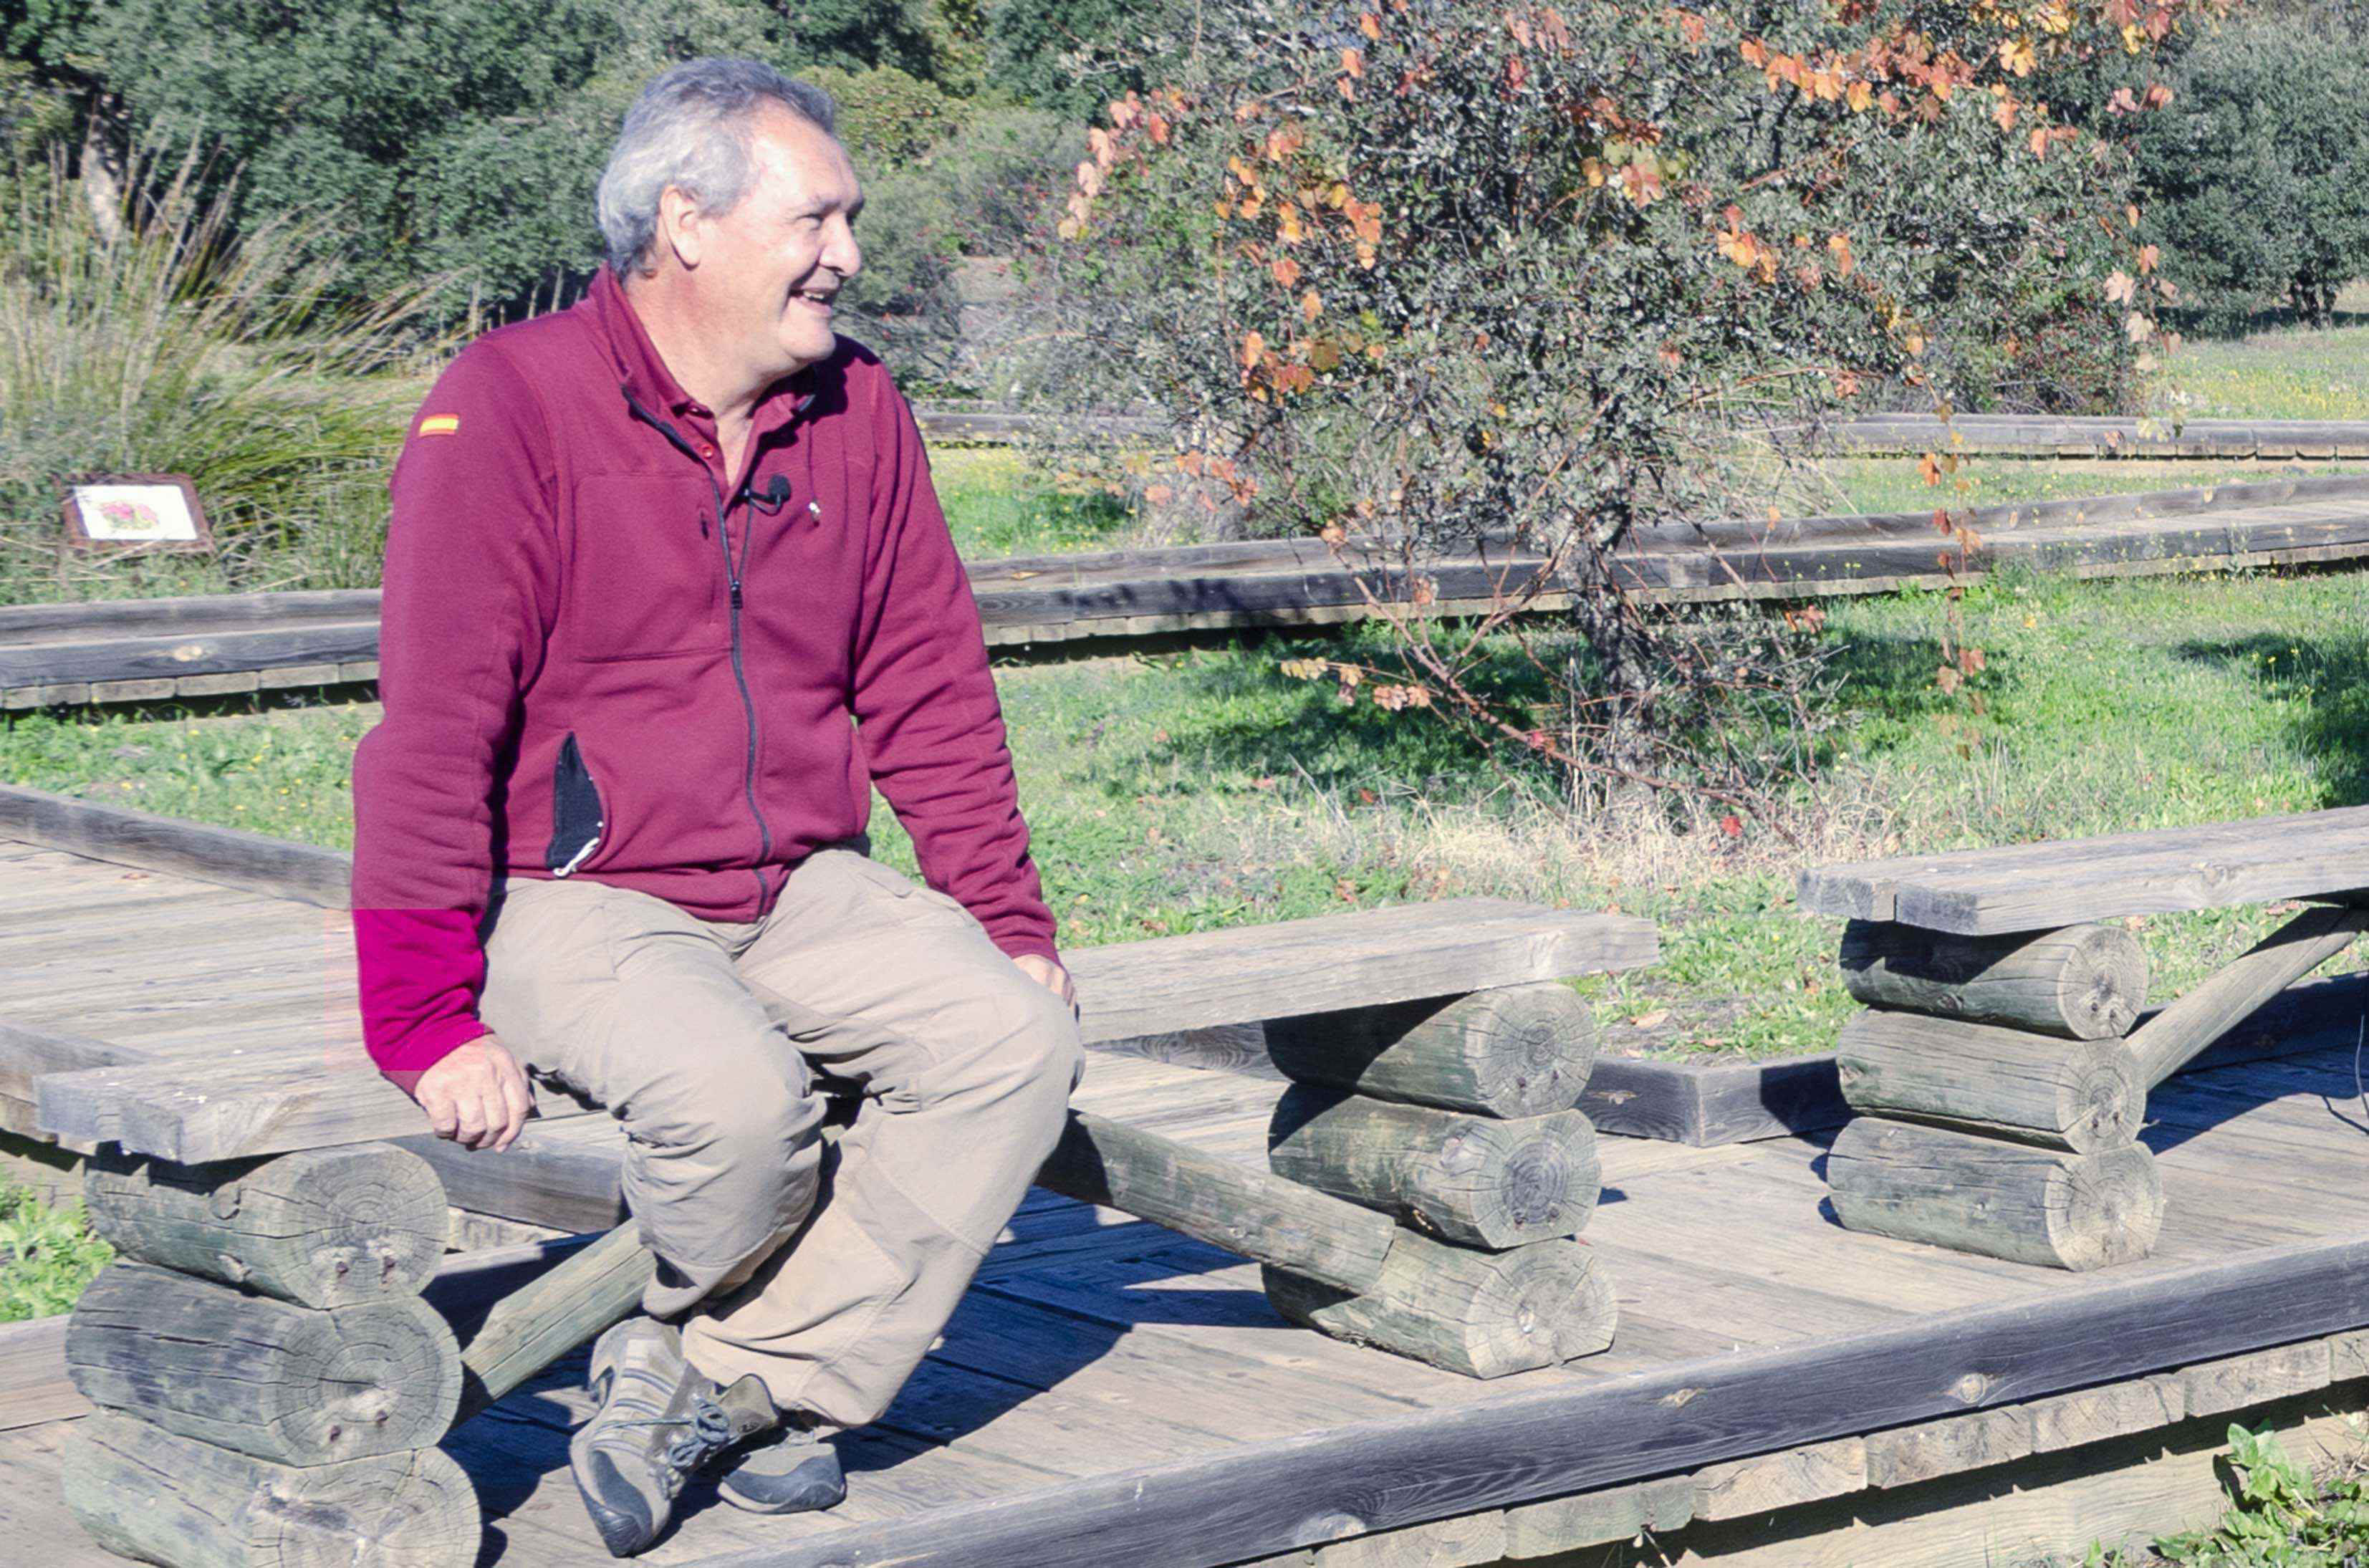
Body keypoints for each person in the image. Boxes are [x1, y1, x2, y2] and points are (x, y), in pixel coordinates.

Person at [347, 57, 1085, 1557]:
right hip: (573, 897)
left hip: (795, 881)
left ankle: (726, 1376)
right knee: (739, 1111)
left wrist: (1006, 921)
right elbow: (430, 730)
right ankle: (761, 1384)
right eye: (819, 217)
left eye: (850, 220)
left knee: (1013, 1039)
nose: (849, 255)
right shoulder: (507, 408)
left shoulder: (858, 410)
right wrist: (422, 1014)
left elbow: (930, 684)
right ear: (687, 221)